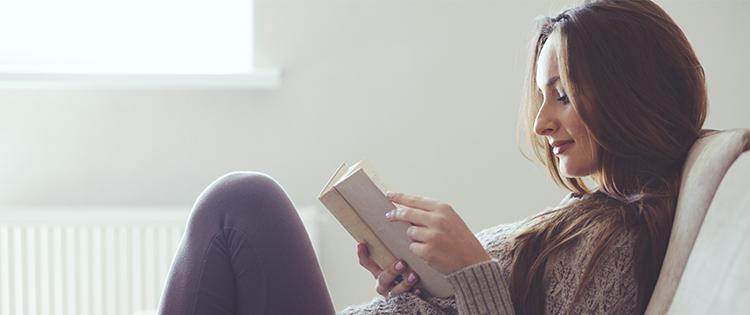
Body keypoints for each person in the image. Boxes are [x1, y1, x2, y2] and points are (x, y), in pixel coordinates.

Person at [156, 0, 707, 313]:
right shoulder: (591, 215)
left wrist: (471, 267)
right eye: (542, 96)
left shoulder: (624, 246)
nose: (541, 123)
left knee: (241, 205)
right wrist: (423, 287)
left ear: (627, 92)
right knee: (239, 207)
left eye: (563, 95)